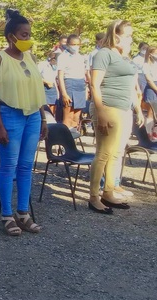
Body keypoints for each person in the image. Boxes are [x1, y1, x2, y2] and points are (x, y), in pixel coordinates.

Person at [0, 9, 46, 236]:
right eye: (23, 34)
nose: (27, 38)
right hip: (9, 115)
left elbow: (36, 89)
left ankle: (23, 213)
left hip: (32, 116)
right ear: (11, 36)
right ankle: (7, 215)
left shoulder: (30, 58)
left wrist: (42, 118)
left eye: (29, 34)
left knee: (25, 166)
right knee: (8, 165)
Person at [88, 20, 144, 215]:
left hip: (124, 108)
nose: (130, 39)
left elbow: (131, 84)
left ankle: (108, 192)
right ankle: (94, 197)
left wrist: (136, 107)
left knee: (117, 153)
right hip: (108, 107)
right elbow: (95, 85)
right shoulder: (103, 54)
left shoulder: (123, 56)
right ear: (116, 35)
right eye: (127, 35)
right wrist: (101, 111)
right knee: (103, 153)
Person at [57, 34, 88, 130]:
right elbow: (60, 76)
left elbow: (84, 74)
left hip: (80, 85)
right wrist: (64, 94)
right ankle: (65, 141)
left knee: (76, 118)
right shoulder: (63, 57)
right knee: (68, 117)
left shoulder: (81, 57)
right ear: (68, 44)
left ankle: (73, 140)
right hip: (69, 84)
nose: (75, 47)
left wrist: (86, 89)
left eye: (78, 44)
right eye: (73, 44)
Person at [143, 46, 157, 136]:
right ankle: (148, 133)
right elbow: (148, 79)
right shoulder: (146, 65)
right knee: (151, 112)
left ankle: (155, 132)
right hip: (152, 87)